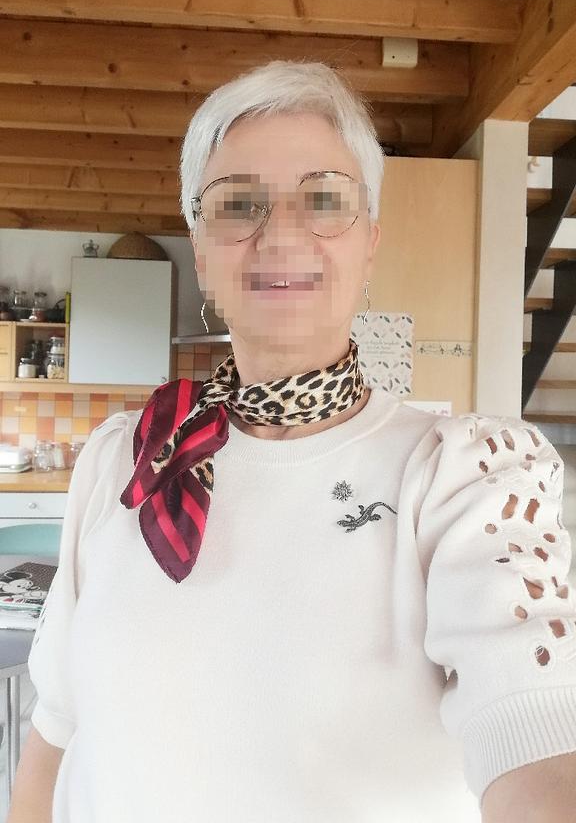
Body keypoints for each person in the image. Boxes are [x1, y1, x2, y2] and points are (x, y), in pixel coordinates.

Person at [9, 60, 576, 823]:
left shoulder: (464, 480)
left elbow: (537, 734)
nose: (280, 234)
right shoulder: (126, 459)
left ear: (370, 242)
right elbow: (53, 737)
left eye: (324, 198)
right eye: (238, 203)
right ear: (202, 252)